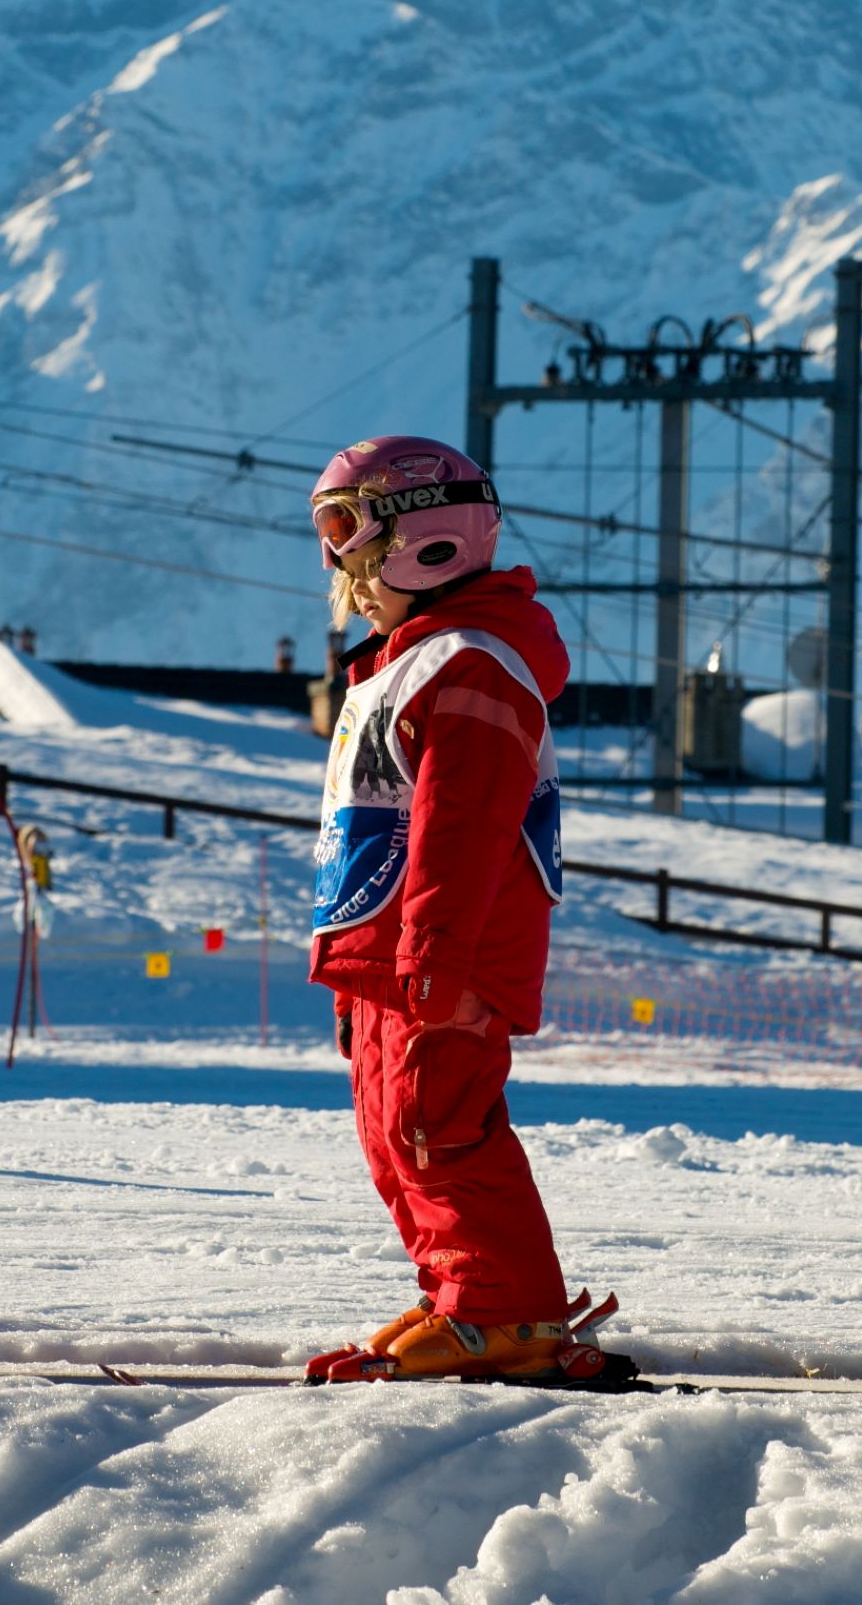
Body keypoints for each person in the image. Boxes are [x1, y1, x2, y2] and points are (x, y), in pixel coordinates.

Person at [303, 434, 618, 1386]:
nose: (338, 567)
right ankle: (461, 1292)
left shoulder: (470, 664)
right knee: (394, 1131)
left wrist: (433, 953)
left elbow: (464, 824)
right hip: (393, 951)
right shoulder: (410, 660)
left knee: (440, 1125)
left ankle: (504, 1310)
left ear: (422, 538)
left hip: (444, 949)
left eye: (348, 536)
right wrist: (356, 967)